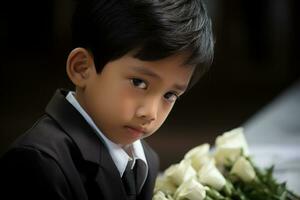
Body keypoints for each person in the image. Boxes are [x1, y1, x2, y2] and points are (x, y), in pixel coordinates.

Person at [0, 0, 214, 199]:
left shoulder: (147, 160)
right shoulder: (38, 163)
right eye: (139, 83)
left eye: (170, 95)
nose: (150, 113)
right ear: (82, 68)